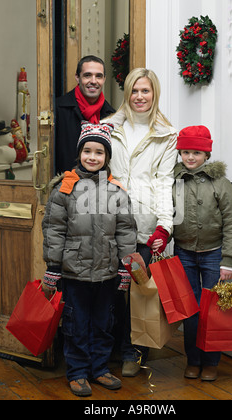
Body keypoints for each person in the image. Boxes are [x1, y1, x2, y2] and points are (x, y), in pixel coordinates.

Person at [42, 122, 137, 397]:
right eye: (87, 151)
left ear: (107, 157)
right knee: (76, 325)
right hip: (75, 273)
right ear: (79, 153)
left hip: (107, 273)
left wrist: (124, 267)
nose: (92, 157)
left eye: (99, 152)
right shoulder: (64, 189)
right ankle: (78, 372)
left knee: (103, 323)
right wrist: (53, 267)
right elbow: (54, 229)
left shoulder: (116, 191)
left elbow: (125, 231)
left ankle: (99, 368)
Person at [102, 68, 178, 376]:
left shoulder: (167, 134)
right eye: (134, 90)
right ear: (127, 93)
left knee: (138, 289)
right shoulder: (108, 127)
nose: (139, 97)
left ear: (154, 94)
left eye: (145, 91)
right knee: (109, 288)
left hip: (144, 225)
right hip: (109, 219)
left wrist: (165, 225)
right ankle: (109, 348)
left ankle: (134, 351)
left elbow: (165, 181)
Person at [173, 125, 232, 382]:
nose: (191, 157)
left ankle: (211, 361)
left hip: (214, 254)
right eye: (186, 152)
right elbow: (171, 213)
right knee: (190, 310)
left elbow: (231, 223)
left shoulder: (220, 184)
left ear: (207, 155)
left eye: (197, 153)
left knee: (213, 309)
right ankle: (193, 359)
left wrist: (228, 261)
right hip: (184, 252)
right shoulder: (176, 181)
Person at [55, 55, 115, 174]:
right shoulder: (58, 109)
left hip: (99, 185)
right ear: (77, 78)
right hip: (65, 184)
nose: (93, 81)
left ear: (104, 79)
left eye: (99, 76)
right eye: (87, 75)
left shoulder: (111, 115)